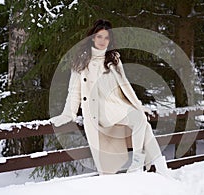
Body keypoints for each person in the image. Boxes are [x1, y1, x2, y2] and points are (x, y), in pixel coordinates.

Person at [51, 19, 174, 178]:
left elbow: (125, 85)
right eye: (99, 37)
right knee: (140, 120)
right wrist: (68, 113)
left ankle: (152, 166)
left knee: (142, 121)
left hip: (118, 104)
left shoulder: (113, 58)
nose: (103, 41)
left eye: (106, 38)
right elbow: (74, 92)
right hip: (100, 110)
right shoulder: (81, 61)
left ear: (110, 41)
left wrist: (137, 104)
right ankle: (149, 165)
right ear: (93, 38)